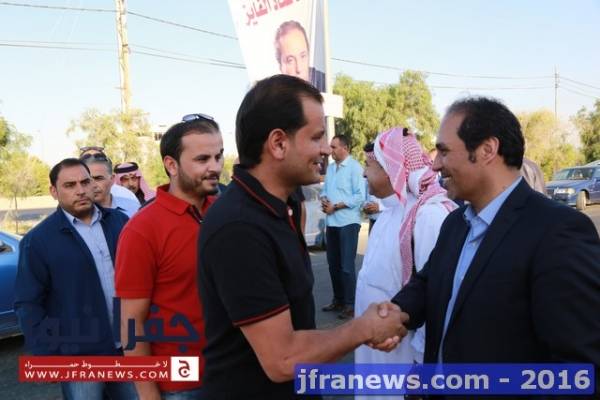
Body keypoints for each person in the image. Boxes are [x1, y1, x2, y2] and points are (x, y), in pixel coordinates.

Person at [197, 74, 408, 399]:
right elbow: (283, 359)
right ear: (279, 143)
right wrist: (364, 327)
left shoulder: (283, 204)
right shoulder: (239, 227)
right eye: (317, 137)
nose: (325, 149)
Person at [389, 97, 600, 393]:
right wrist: (395, 312)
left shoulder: (558, 230)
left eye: (444, 151)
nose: (435, 164)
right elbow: (428, 283)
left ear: (487, 150)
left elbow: (578, 366)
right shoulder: (456, 223)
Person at [115, 113, 223, 399]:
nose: (215, 167)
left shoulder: (226, 213)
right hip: (181, 386)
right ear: (171, 165)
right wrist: (148, 394)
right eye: (202, 159)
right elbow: (131, 323)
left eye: (218, 156)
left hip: (234, 373)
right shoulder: (141, 229)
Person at [14, 158, 135, 400]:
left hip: (127, 347)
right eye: (70, 185)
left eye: (85, 182)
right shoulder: (38, 241)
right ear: (54, 191)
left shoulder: (120, 223)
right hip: (78, 354)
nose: (80, 190)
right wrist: (45, 354)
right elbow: (28, 303)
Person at [355, 128, 455, 400]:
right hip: (375, 354)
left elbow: (433, 295)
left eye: (369, 165)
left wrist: (422, 368)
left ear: (391, 168)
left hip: (404, 359)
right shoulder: (390, 212)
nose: (364, 173)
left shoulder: (428, 215)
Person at [320, 134, 365, 319]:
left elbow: (359, 196)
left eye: (334, 147)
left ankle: (350, 304)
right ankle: (338, 300)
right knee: (333, 265)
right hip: (332, 223)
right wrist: (324, 200)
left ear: (345, 148)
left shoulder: (355, 167)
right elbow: (324, 190)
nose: (330, 150)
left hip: (348, 223)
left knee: (346, 267)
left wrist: (336, 206)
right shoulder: (331, 168)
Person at [82, 153, 140, 218]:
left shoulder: (133, 207)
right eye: (87, 180)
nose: (93, 185)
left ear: (112, 179)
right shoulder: (76, 212)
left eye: (98, 178)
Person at [274, 20, 325, 92]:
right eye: (290, 60)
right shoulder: (276, 94)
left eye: (303, 56)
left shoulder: (326, 84)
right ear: (281, 67)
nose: (299, 69)